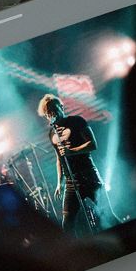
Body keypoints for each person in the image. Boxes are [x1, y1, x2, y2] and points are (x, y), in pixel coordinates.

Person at [38, 93, 102, 231]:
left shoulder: (77, 121)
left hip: (88, 175)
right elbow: (59, 159)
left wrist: (72, 151)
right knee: (67, 223)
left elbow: (93, 144)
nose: (52, 114)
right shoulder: (52, 133)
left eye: (54, 109)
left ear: (61, 107)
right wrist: (59, 183)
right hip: (71, 182)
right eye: (48, 113)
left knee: (102, 215)